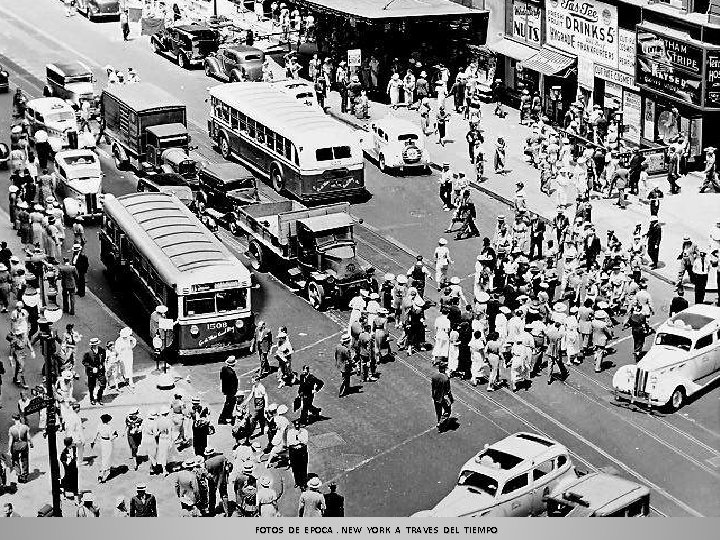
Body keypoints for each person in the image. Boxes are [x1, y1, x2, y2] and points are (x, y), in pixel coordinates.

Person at [91, 413, 118, 483]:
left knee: (104, 456)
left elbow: (96, 434)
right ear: (108, 420)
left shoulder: (99, 425)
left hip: (102, 442)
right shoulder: (109, 427)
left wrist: (93, 441)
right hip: (108, 442)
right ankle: (102, 474)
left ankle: (102, 471)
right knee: (107, 457)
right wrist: (115, 435)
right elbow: (111, 438)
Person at [7, 414, 31, 483]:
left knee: (15, 460)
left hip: (15, 446)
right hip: (24, 445)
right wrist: (31, 443)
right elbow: (28, 437)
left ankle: (19, 474)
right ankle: (25, 474)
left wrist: (9, 449)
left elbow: (10, 440)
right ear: (20, 418)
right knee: (25, 459)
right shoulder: (25, 427)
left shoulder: (11, 429)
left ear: (13, 419)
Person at [82, 338, 107, 405]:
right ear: (91, 345)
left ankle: (99, 398)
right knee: (91, 386)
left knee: (103, 384)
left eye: (96, 344)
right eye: (93, 345)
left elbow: (104, 359)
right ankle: (92, 399)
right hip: (91, 372)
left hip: (100, 370)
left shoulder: (102, 350)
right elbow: (84, 362)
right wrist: (92, 367)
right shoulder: (87, 353)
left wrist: (102, 365)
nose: (95, 346)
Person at [286, 418, 309, 489]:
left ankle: (303, 482)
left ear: (300, 425)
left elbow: (305, 441)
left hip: (302, 451)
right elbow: (290, 443)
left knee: (303, 467)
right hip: (293, 451)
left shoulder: (304, 431)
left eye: (298, 425)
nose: (297, 426)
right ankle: (297, 481)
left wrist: (298, 438)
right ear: (293, 425)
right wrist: (298, 442)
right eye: (295, 425)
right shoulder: (290, 432)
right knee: (295, 467)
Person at [430, 363, 453, 431]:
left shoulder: (434, 376)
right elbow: (448, 390)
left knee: (438, 410)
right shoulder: (446, 379)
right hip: (443, 397)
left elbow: (433, 386)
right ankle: (442, 422)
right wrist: (450, 399)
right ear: (444, 369)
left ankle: (438, 422)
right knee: (447, 410)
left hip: (435, 396)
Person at [335, 334, 353, 398]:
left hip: (339, 364)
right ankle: (342, 393)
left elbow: (336, 355)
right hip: (345, 366)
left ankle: (347, 389)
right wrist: (353, 364)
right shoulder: (346, 350)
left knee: (346, 378)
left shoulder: (338, 346)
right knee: (345, 379)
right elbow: (349, 359)